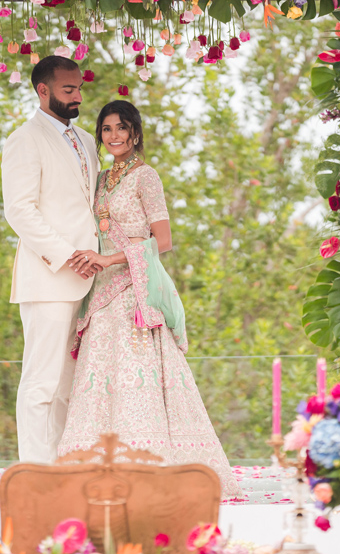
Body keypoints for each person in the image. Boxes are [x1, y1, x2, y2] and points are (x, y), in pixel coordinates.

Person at [57, 100, 241, 497]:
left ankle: (149, 470)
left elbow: (164, 241)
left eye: (122, 128)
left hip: (135, 292)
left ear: (135, 133)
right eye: (106, 129)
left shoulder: (146, 177)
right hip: (102, 291)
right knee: (100, 377)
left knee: (137, 377)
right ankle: (97, 472)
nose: (114, 136)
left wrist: (109, 257)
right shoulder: (101, 178)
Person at [1, 56, 101, 464]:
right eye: (68, 90)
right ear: (43, 91)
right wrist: (67, 255)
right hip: (48, 276)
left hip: (90, 279)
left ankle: (62, 466)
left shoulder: (87, 141)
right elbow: (20, 211)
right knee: (41, 381)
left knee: (66, 385)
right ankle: (36, 474)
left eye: (78, 88)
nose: (77, 96)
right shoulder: (24, 139)